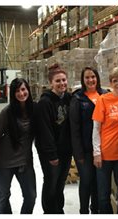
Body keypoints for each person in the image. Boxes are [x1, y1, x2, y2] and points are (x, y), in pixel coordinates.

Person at [0, 78, 37, 214]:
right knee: (4, 196)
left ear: (28, 90)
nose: (21, 93)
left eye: (23, 89)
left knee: (31, 196)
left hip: (24, 161)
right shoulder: (6, 113)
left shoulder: (34, 109)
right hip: (4, 163)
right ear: (13, 94)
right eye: (17, 91)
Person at [92, 67, 118, 213]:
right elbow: (96, 128)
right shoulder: (103, 100)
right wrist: (96, 153)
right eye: (115, 81)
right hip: (104, 155)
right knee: (103, 195)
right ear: (110, 83)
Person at [35, 63, 73, 214]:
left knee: (61, 182)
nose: (61, 83)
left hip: (65, 150)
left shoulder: (69, 98)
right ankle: (49, 211)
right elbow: (44, 131)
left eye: (64, 80)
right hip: (50, 152)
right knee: (51, 182)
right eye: (58, 81)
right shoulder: (44, 102)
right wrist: (52, 154)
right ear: (51, 83)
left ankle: (59, 209)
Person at [70, 67, 106, 214]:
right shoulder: (77, 98)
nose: (90, 80)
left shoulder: (105, 95)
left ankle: (95, 210)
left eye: (93, 77)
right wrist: (78, 154)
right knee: (86, 181)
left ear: (97, 78)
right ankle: (83, 211)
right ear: (83, 80)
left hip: (103, 148)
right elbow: (74, 128)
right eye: (87, 77)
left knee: (98, 183)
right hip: (84, 150)